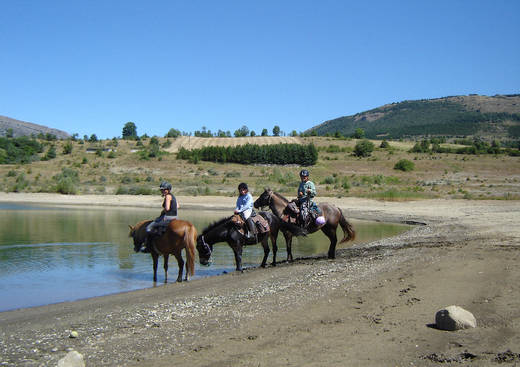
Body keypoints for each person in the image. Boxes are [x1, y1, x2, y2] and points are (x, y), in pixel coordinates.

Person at [143, 181, 179, 252]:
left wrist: (163, 211)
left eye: (164, 189)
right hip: (175, 217)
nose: (162, 191)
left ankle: (147, 247)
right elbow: (178, 206)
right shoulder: (173, 196)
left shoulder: (168, 196)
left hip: (167, 217)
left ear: (168, 189)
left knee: (148, 227)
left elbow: (167, 208)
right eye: (161, 190)